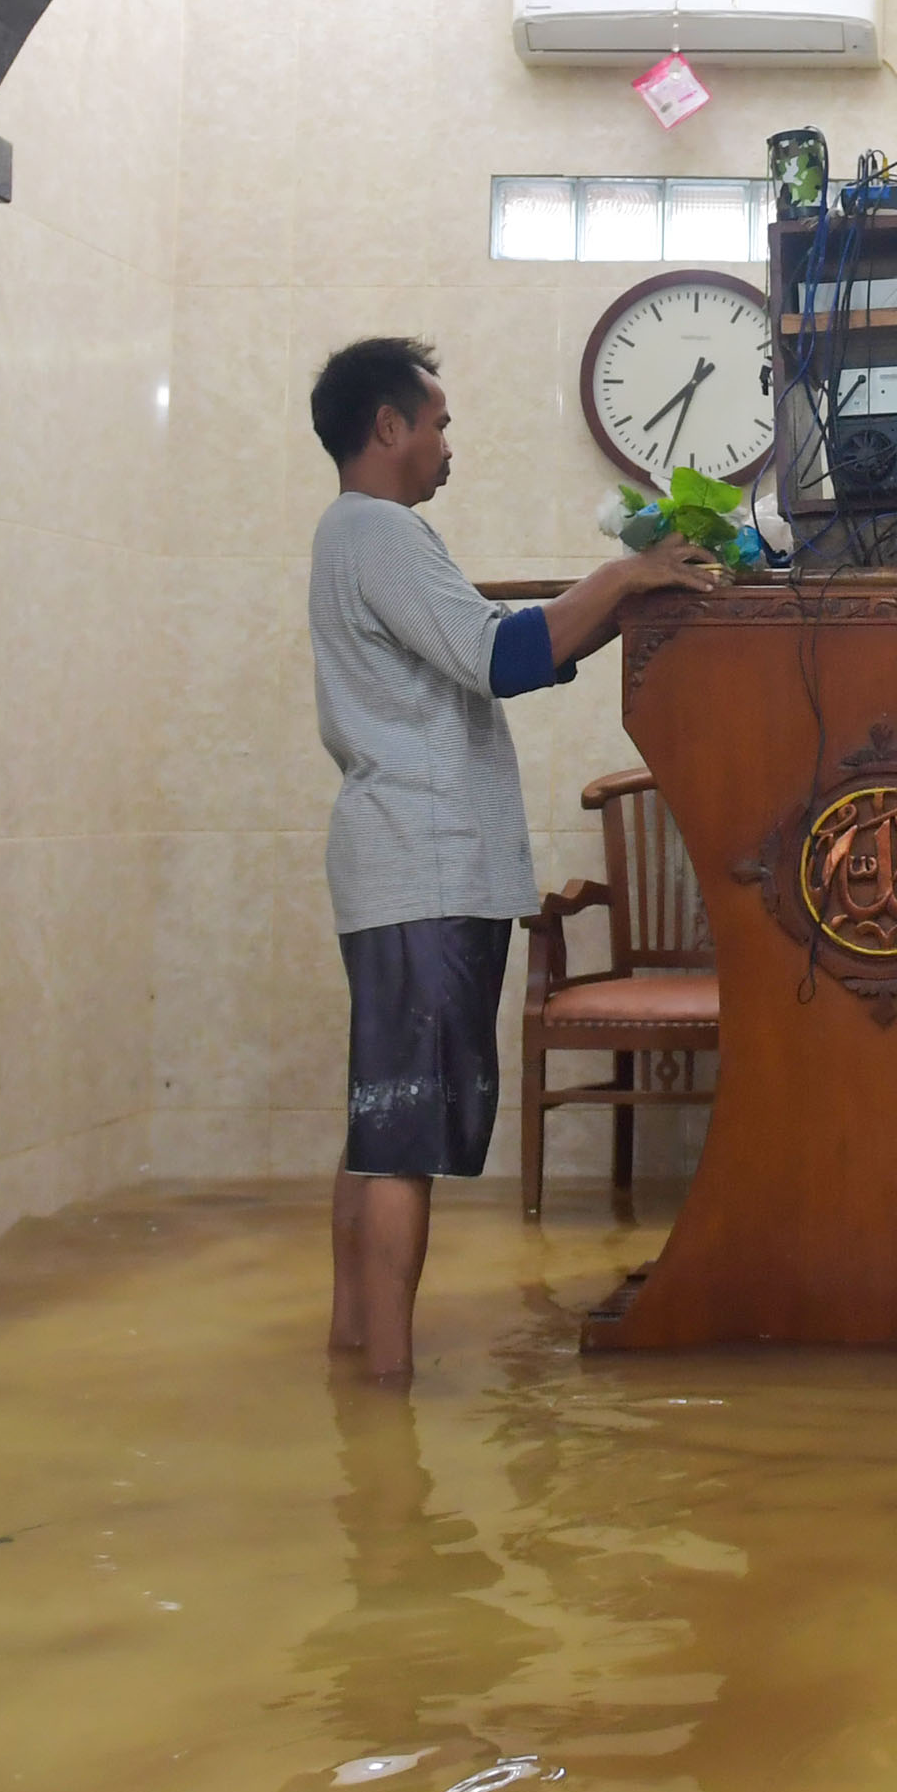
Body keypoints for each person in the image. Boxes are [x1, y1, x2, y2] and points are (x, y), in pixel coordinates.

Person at [308, 336, 717, 1380]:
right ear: (388, 426)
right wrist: (626, 574)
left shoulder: (352, 537)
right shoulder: (384, 533)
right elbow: (499, 656)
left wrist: (613, 600)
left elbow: (500, 645)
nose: (448, 443)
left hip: (396, 865)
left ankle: (353, 1354)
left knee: (380, 1121)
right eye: (437, 422)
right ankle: (388, 1394)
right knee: (405, 1140)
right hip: (425, 868)